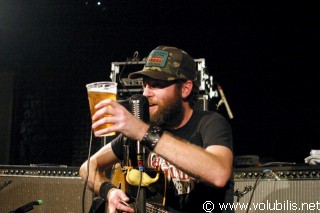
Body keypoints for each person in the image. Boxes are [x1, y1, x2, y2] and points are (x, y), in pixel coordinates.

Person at [79, 45, 234, 213]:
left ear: (185, 89)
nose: (146, 93)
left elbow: (219, 174)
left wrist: (142, 131)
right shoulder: (142, 130)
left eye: (156, 85)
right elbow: (88, 166)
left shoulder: (210, 123)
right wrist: (108, 191)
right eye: (145, 85)